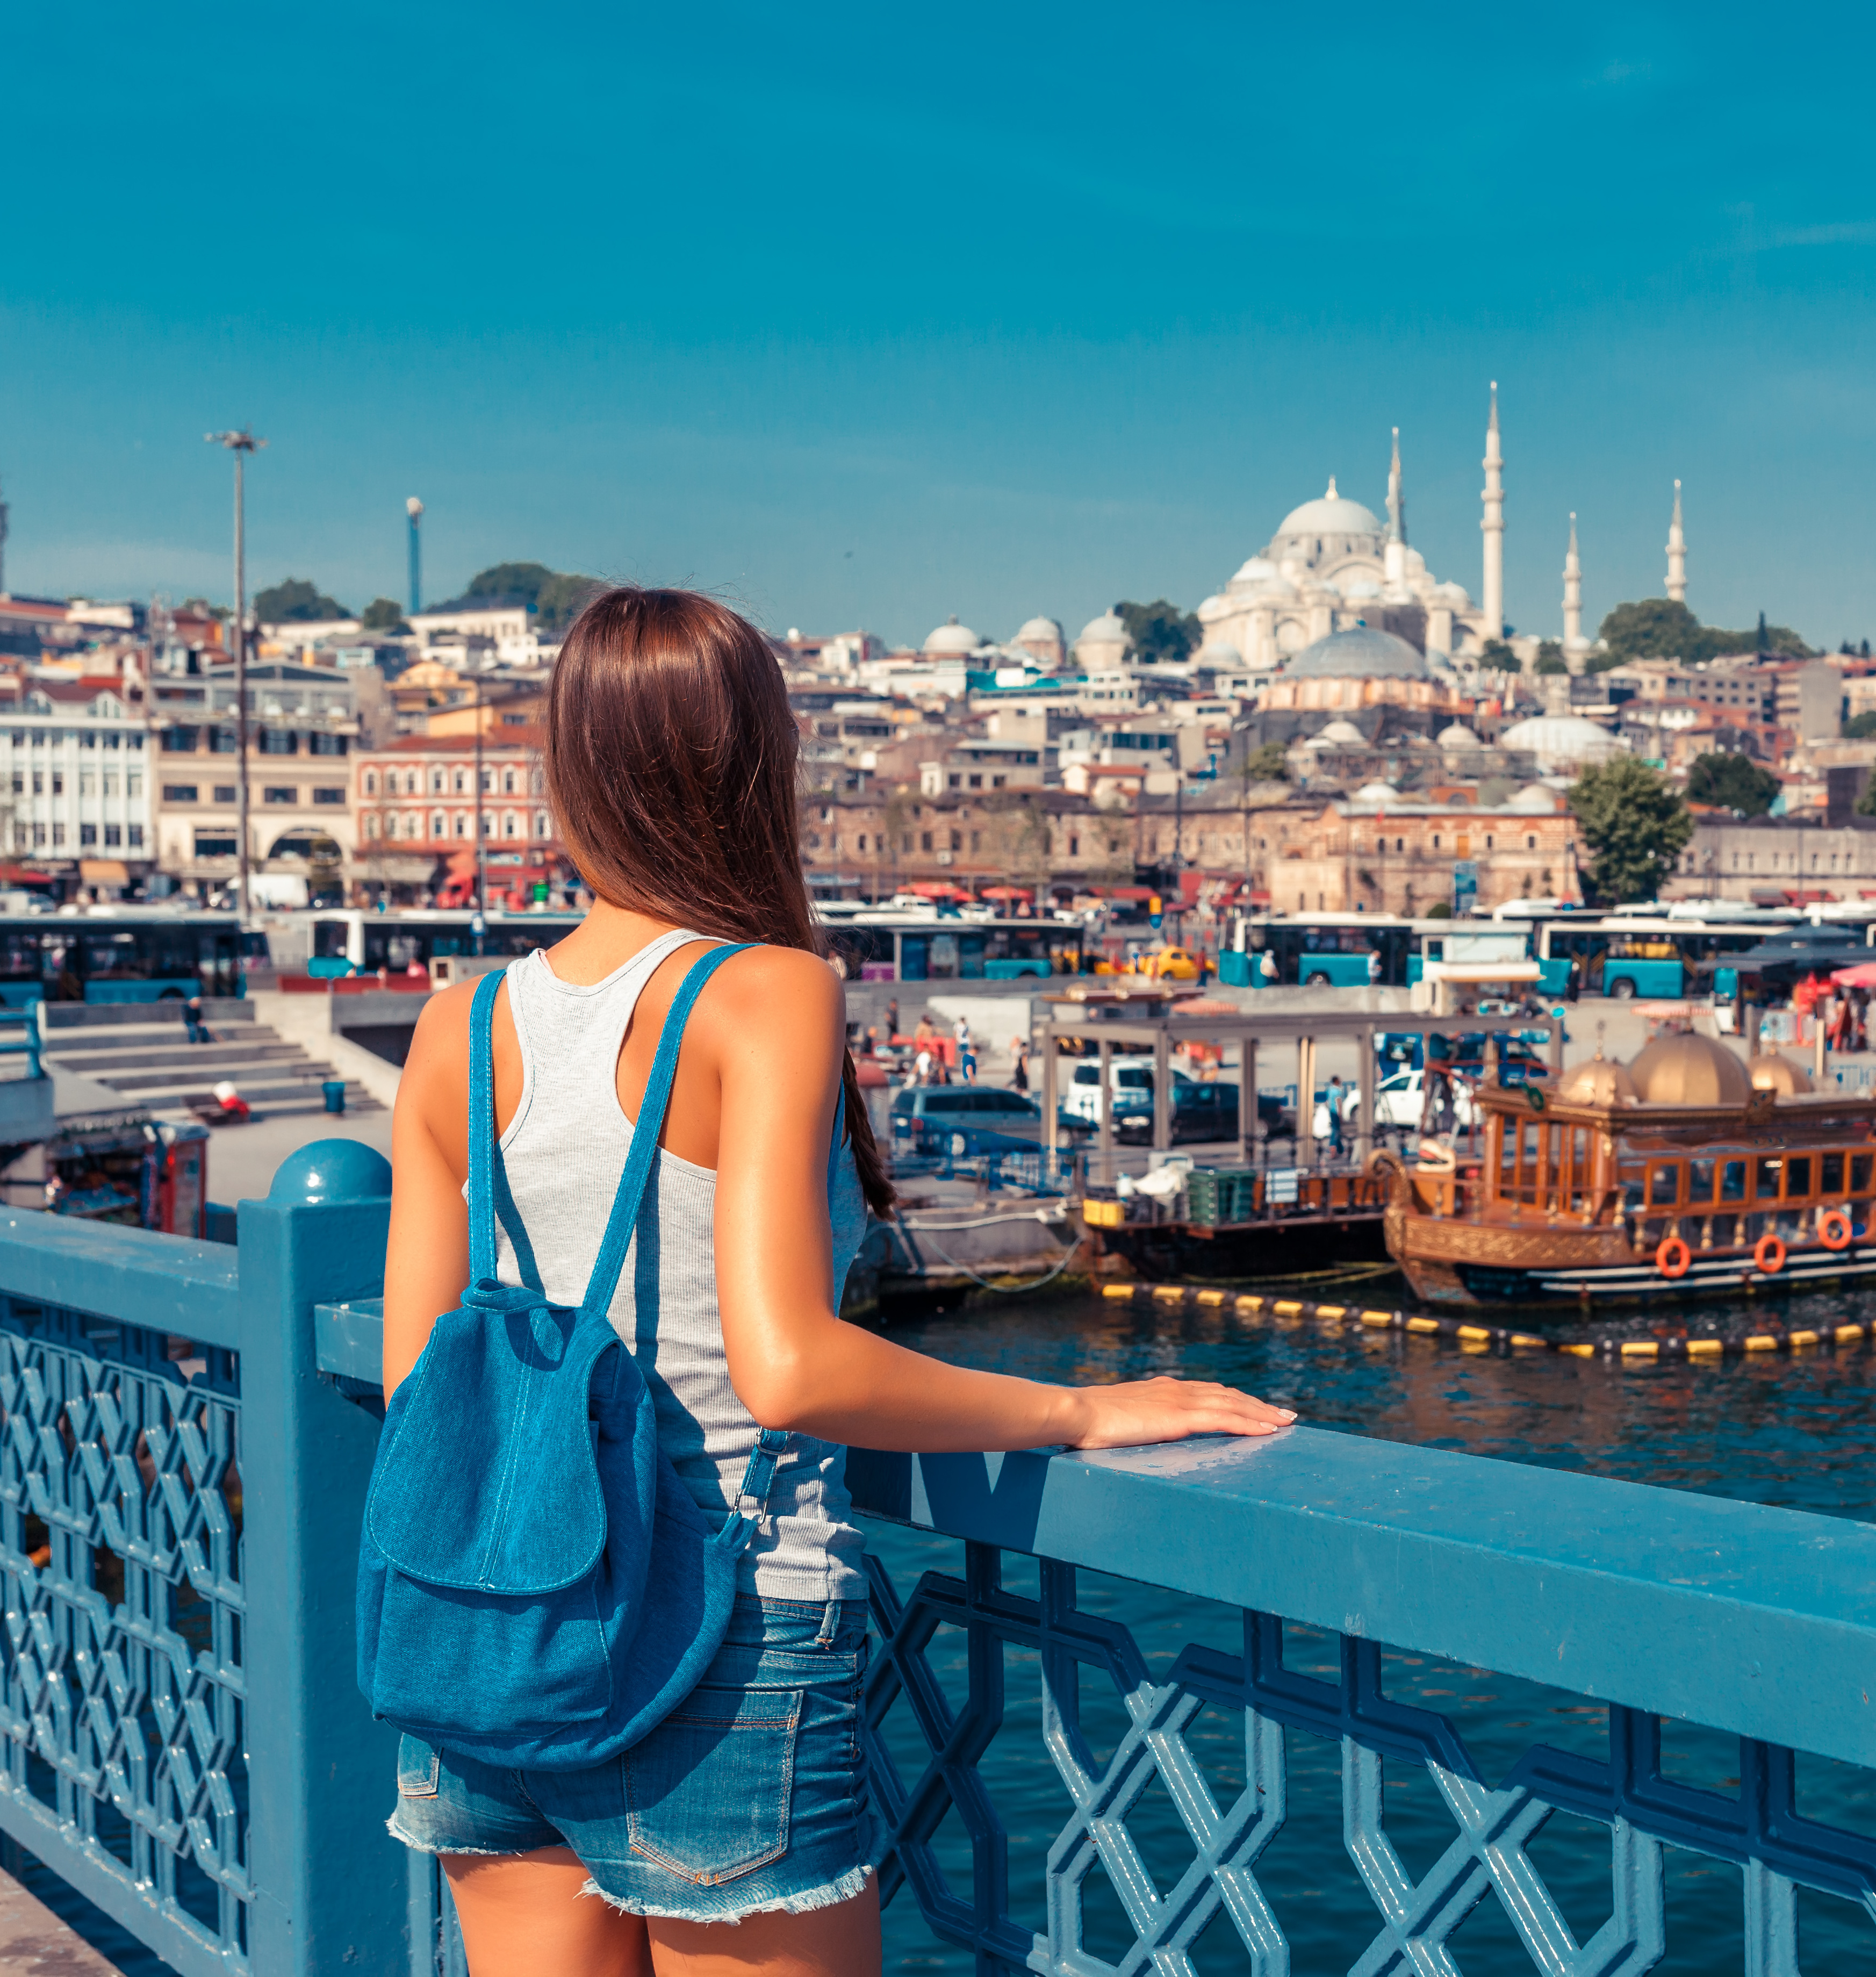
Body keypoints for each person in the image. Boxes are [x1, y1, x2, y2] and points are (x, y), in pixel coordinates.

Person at [378, 589, 1289, 1977]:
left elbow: (418, 1392)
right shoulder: (764, 995)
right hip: (724, 1634)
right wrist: (1080, 1415)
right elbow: (788, 1366)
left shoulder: (458, 1028)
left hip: (493, 1636)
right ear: (755, 768)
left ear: (565, 769)